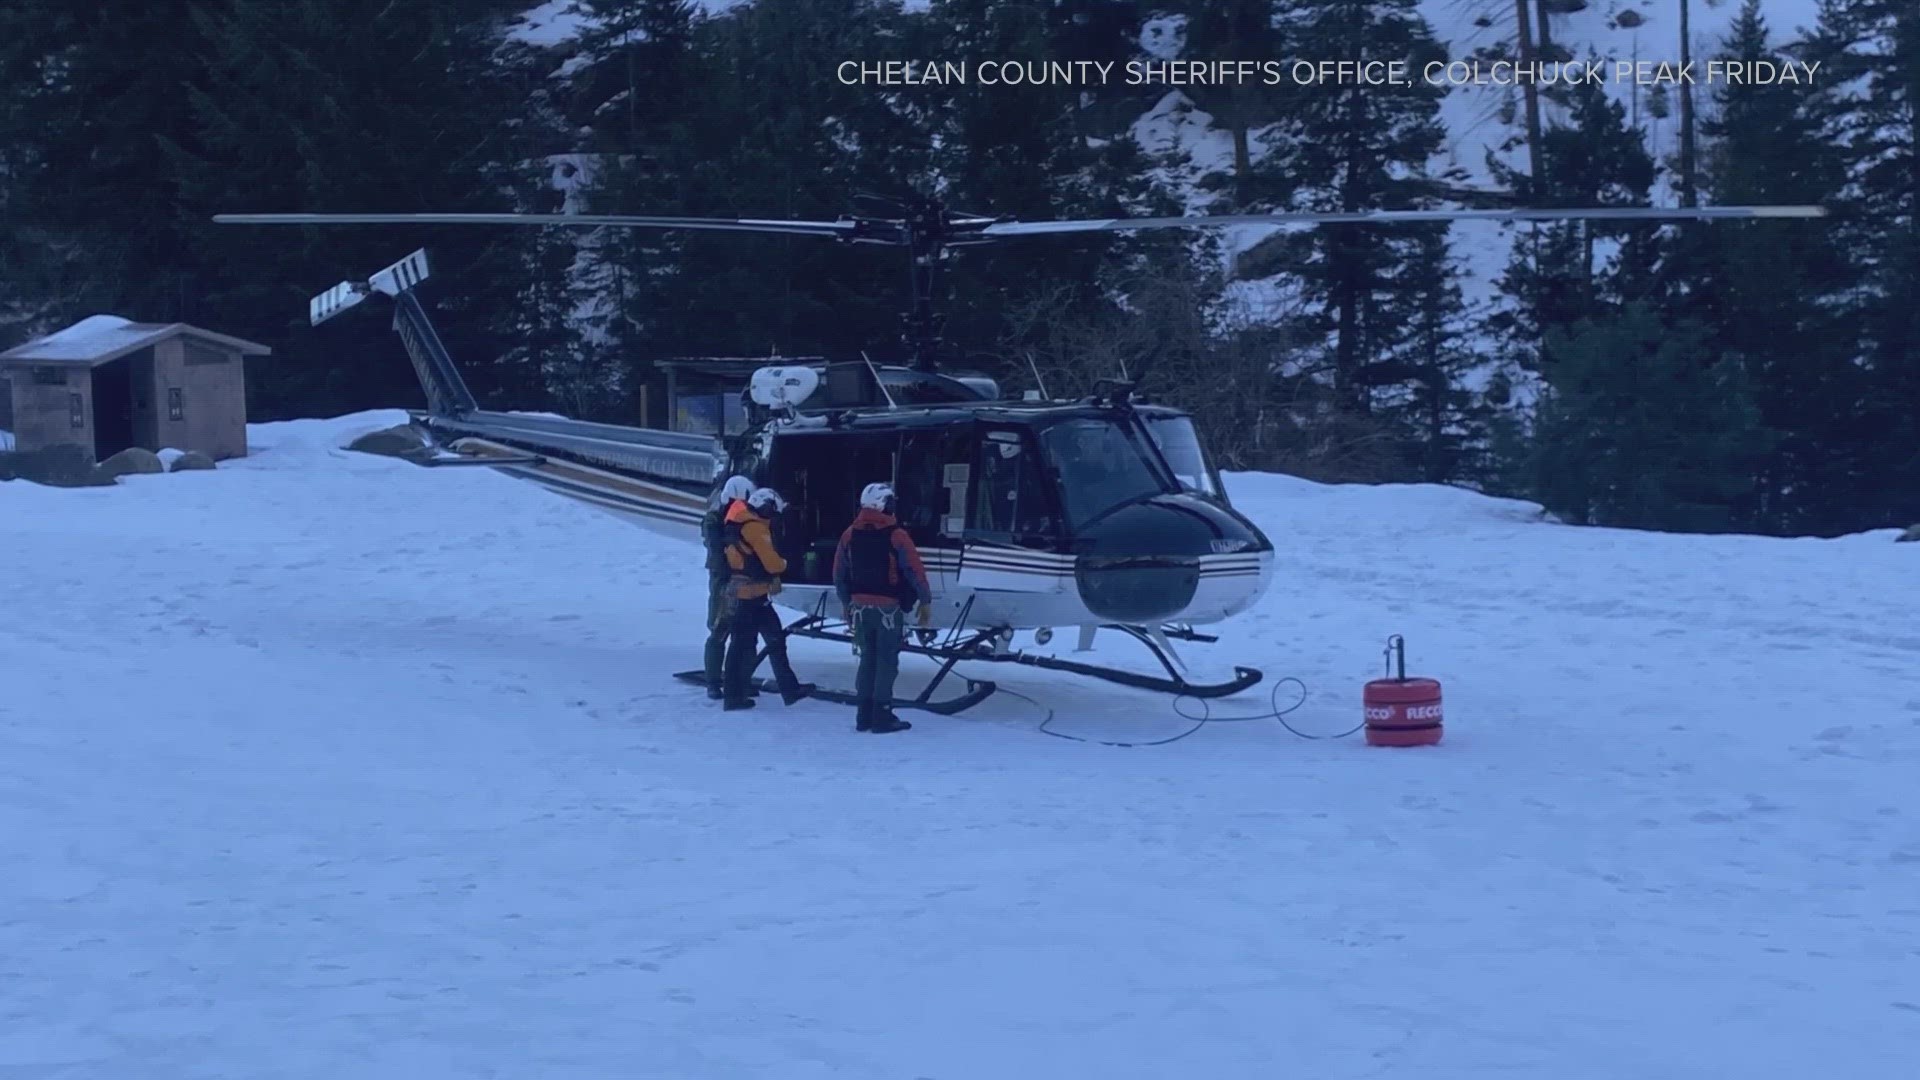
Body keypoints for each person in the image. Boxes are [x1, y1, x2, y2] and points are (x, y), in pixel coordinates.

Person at [832, 482, 932, 734]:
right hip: (887, 609)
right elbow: (913, 569)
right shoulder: (896, 534)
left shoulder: (849, 533)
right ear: (884, 505)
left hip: (860, 608)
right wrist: (925, 600)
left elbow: (839, 573)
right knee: (886, 662)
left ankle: (863, 714)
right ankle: (882, 715)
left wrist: (846, 604)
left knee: (867, 659)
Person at [720, 486, 815, 710]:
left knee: (769, 640)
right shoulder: (755, 529)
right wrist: (787, 564)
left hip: (750, 596)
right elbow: (772, 563)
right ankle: (734, 696)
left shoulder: (740, 523)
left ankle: (787, 689)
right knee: (753, 644)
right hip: (751, 599)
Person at [700, 474, 755, 699]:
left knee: (747, 633)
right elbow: (716, 552)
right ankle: (713, 681)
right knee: (719, 630)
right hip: (724, 581)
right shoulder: (715, 521)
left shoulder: (743, 518)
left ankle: (743, 680)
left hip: (744, 579)